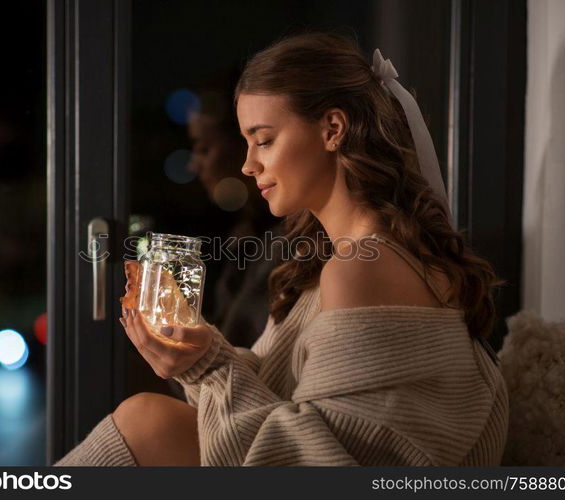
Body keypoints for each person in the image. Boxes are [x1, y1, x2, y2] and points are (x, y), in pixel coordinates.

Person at [54, 32, 509, 466]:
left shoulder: (363, 268)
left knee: (146, 419)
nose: (249, 165)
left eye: (264, 140)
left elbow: (318, 464)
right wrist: (199, 350)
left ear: (333, 129)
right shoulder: (338, 259)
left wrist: (206, 366)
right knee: (147, 417)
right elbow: (280, 386)